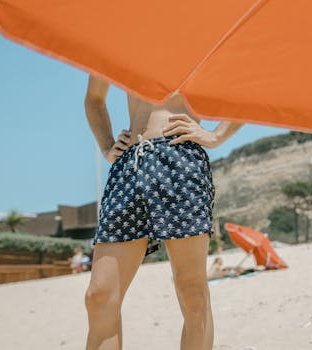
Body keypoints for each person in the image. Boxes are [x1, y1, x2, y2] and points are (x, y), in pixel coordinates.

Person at [83, 74, 243, 350]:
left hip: (181, 159)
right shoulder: (116, 36)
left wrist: (217, 135)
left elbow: (247, 87)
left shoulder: (206, 35)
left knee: (192, 295)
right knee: (99, 295)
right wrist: (107, 145)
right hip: (129, 165)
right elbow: (94, 98)